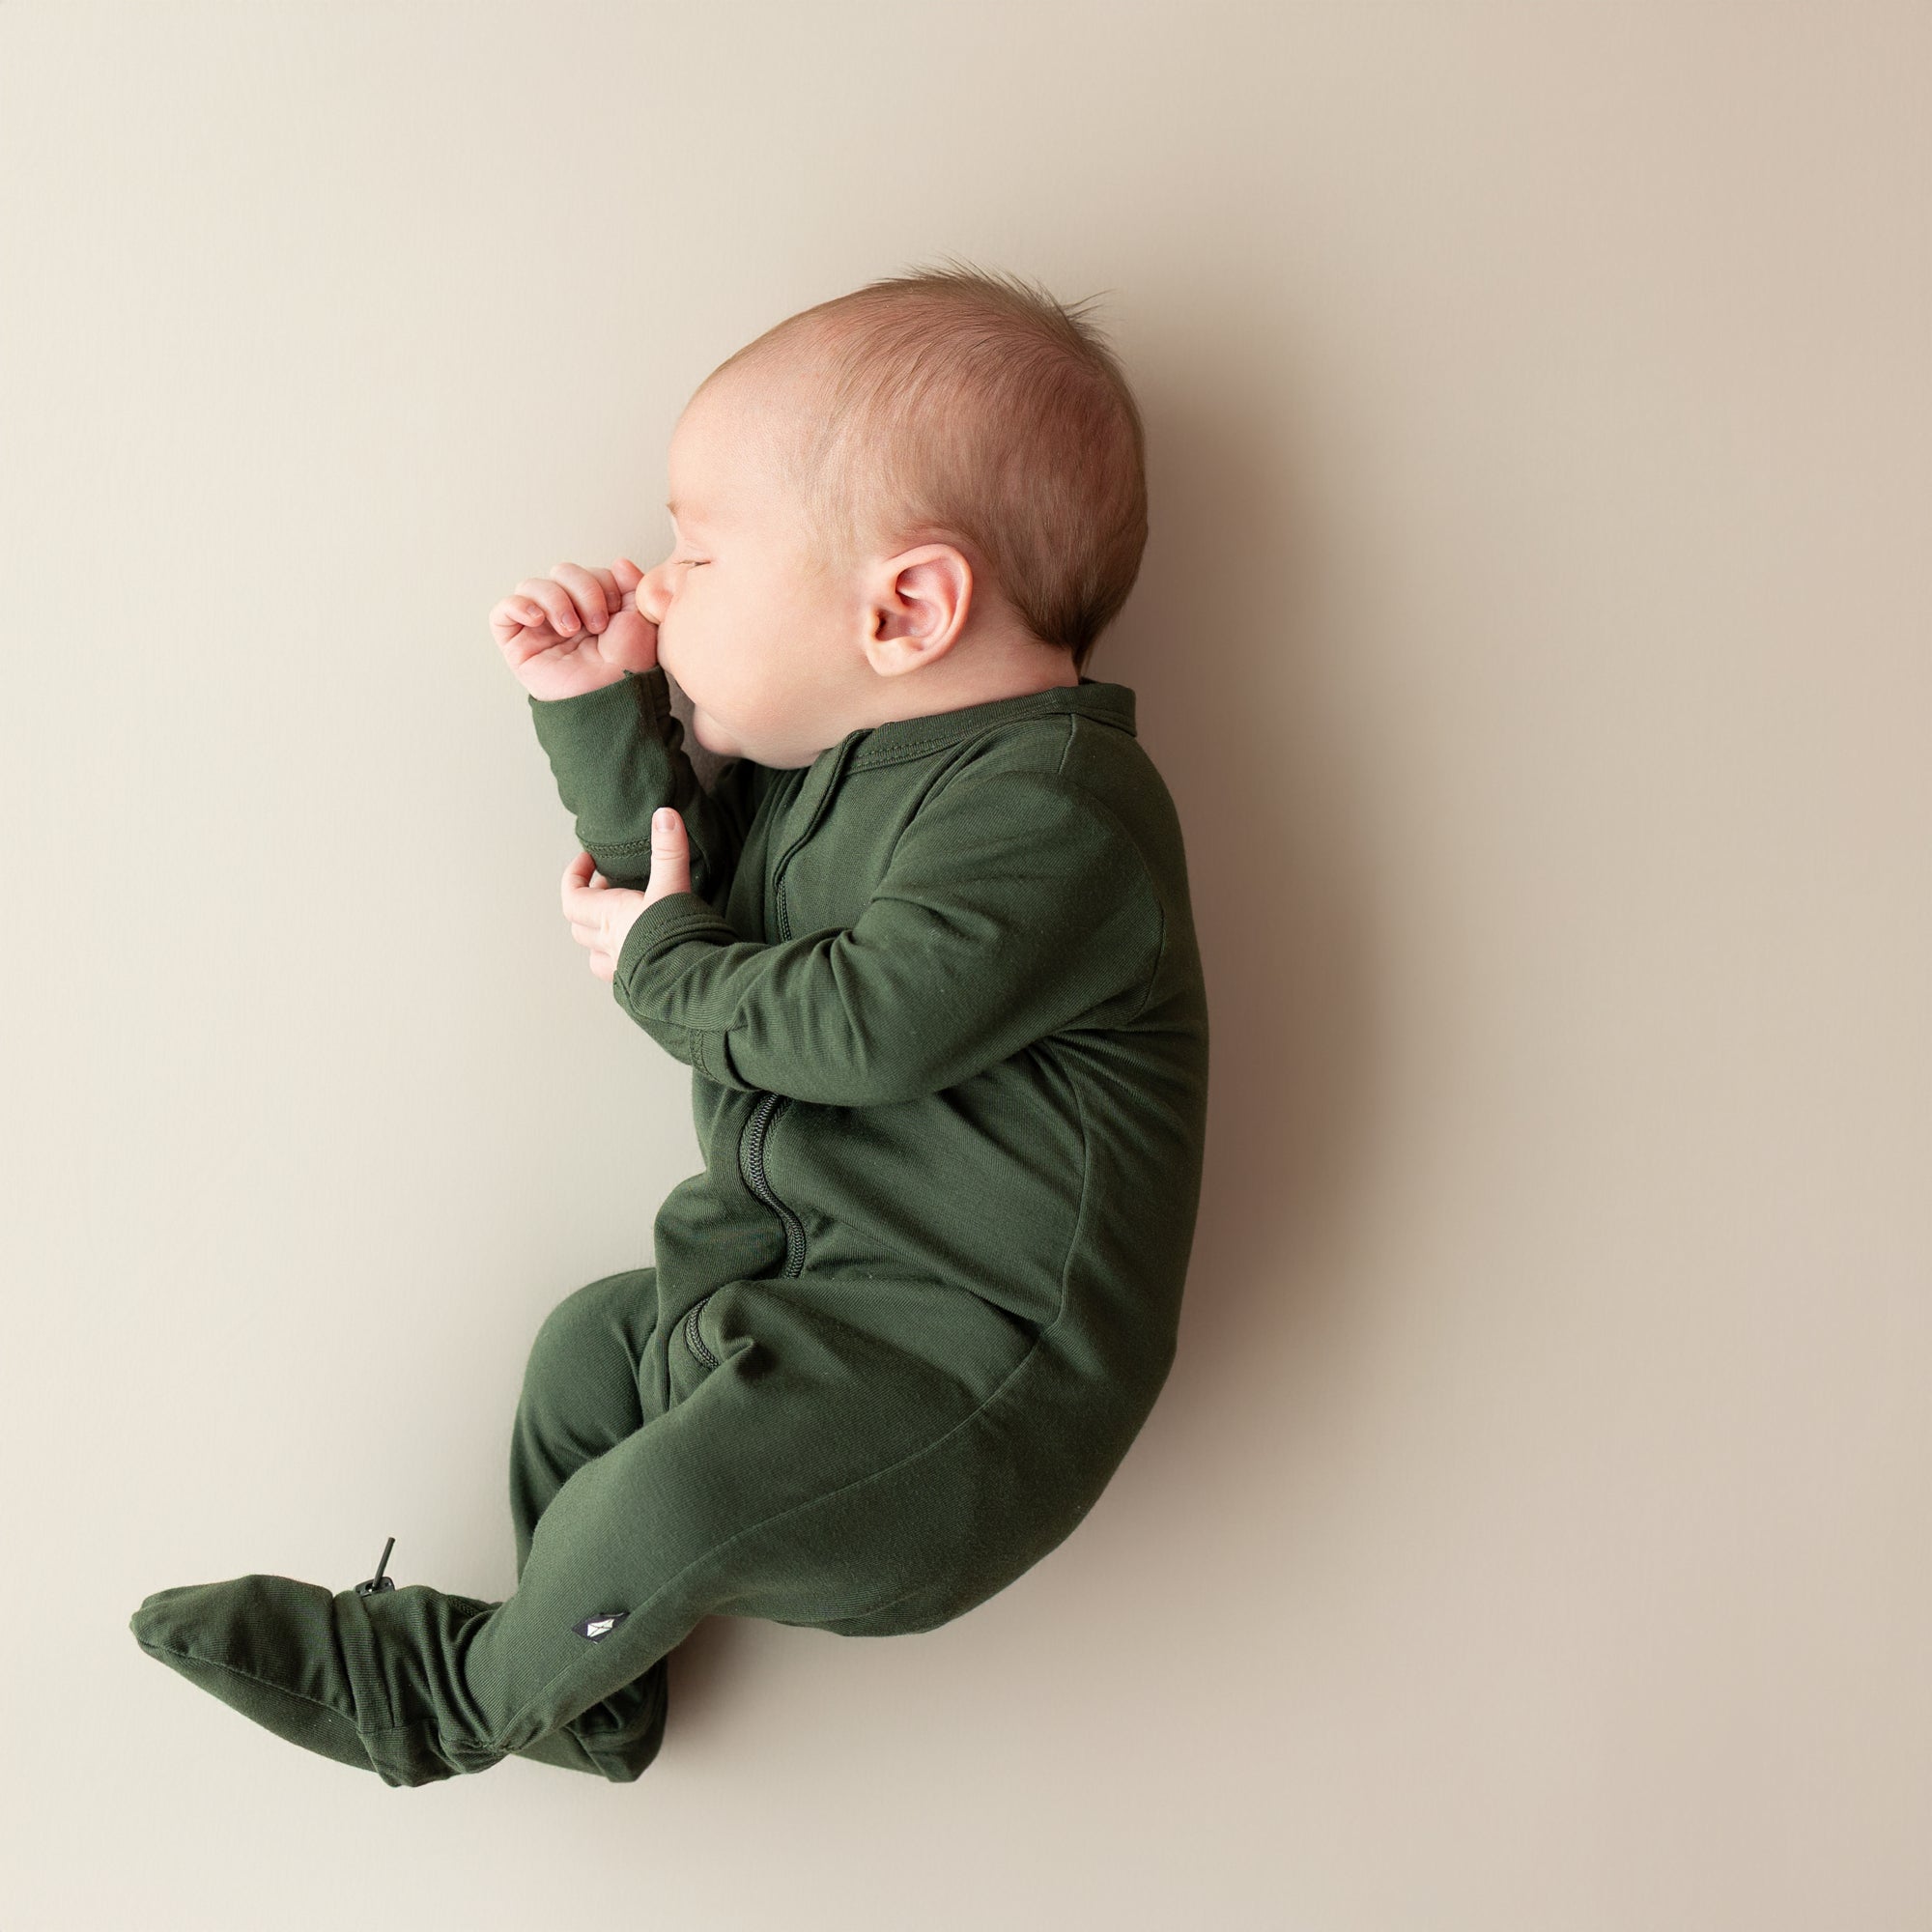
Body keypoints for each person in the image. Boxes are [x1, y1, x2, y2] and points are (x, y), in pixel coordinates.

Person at [128, 262, 1210, 1788]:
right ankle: (593, 1696)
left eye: (696, 555)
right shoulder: (827, 776)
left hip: (962, 1393)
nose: (652, 588)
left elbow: (859, 1026)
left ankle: (447, 1703)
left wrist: (660, 966)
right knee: (589, 1352)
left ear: (906, 607)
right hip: (786, 1306)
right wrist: (598, 706)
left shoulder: (1061, 814)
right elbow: (673, 875)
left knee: (674, 1498)